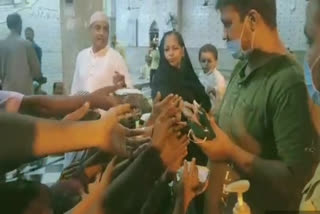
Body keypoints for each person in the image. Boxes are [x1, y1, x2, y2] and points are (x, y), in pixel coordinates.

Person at [193, 0, 314, 213]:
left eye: (227, 24)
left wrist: (232, 153)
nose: (224, 35)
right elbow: (230, 131)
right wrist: (207, 122)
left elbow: (296, 180)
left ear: (252, 20)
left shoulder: (287, 82)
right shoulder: (243, 66)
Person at [71, 11, 132, 96]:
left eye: (105, 29)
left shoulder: (116, 58)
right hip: (82, 108)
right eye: (97, 28)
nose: (101, 33)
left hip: (107, 109)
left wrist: (123, 86)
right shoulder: (81, 56)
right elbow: (75, 88)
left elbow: (129, 91)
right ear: (90, 30)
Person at [0, 13, 42, 95]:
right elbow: (37, 72)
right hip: (24, 93)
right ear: (20, 24)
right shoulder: (26, 44)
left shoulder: (1, 44)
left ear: (8, 25)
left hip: (7, 91)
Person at [198, 44, 226, 113]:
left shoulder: (218, 77)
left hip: (214, 110)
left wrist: (214, 90)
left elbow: (222, 91)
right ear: (199, 61)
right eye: (203, 61)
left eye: (209, 61)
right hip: (202, 107)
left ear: (216, 62)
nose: (206, 64)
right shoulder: (201, 74)